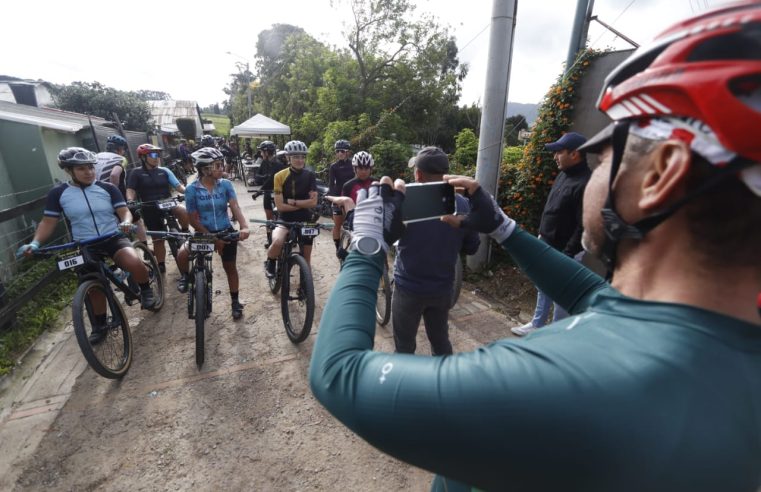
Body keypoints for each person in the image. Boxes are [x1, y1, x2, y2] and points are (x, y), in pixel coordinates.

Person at [309, 3, 761, 490]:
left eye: (603, 157)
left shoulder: (575, 385)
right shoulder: (708, 341)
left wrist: (367, 243)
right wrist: (504, 227)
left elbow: (338, 374)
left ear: (660, 174)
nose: (590, 175)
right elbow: (590, 294)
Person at [18, 147, 156, 343]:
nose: (89, 172)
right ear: (69, 171)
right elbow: (48, 222)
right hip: (85, 244)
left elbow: (124, 211)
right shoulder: (59, 193)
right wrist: (35, 242)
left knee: (134, 262)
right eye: (81, 169)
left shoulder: (108, 188)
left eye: (91, 167)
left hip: (112, 237)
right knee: (92, 287)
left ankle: (146, 290)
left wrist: (125, 222)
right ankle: (100, 325)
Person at [391, 147, 480, 355]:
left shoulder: (405, 202)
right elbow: (472, 247)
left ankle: (405, 385)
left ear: (418, 174)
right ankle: (444, 384)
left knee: (404, 347)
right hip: (442, 289)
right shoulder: (463, 205)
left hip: (408, 288)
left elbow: (387, 237)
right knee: (440, 342)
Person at [511, 131, 591, 337]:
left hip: (566, 251)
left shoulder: (585, 183)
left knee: (562, 296)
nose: (555, 156)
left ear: (575, 154)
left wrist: (568, 254)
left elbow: (584, 225)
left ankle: (557, 335)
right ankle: (538, 324)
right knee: (543, 286)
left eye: (559, 151)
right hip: (546, 243)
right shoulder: (564, 174)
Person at [176, 147, 250, 320]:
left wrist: (244, 226)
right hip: (203, 233)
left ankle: (235, 301)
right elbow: (193, 220)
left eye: (221, 164)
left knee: (230, 267)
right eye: (217, 165)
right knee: (181, 254)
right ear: (204, 169)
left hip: (225, 230)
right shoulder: (191, 190)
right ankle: (186, 277)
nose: (222, 168)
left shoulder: (226, 184)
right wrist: (211, 238)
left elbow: (235, 207)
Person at [126, 143, 189, 274]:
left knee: (183, 211)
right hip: (149, 206)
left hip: (168, 202)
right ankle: (161, 265)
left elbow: (179, 187)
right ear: (143, 157)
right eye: (153, 155)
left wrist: (189, 193)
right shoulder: (136, 173)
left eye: (158, 154)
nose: (157, 157)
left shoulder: (164, 171)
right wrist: (130, 201)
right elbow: (130, 190)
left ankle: (185, 232)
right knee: (158, 239)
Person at [265, 140, 317, 275]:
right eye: (296, 157)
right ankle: (270, 261)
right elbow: (280, 207)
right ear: (288, 158)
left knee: (307, 260)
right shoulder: (279, 176)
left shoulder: (310, 175)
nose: (300, 160)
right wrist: (303, 204)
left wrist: (293, 202)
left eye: (302, 157)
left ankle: (305, 288)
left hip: (306, 219)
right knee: (277, 242)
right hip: (285, 219)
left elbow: (313, 203)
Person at [327, 139, 354, 257]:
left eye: (342, 151)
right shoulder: (334, 167)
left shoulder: (353, 165)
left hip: (351, 197)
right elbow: (331, 184)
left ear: (347, 152)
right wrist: (332, 199)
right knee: (337, 224)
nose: (339, 154)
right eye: (337, 151)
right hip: (338, 197)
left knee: (353, 224)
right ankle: (338, 248)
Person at [254, 141, 285, 243]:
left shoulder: (279, 165)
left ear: (266, 152)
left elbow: (271, 180)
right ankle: (269, 239)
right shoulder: (264, 163)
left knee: (282, 216)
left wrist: (259, 191)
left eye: (262, 152)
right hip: (267, 192)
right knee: (269, 217)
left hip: (278, 193)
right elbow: (257, 177)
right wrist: (264, 176)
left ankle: (286, 236)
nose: (261, 154)